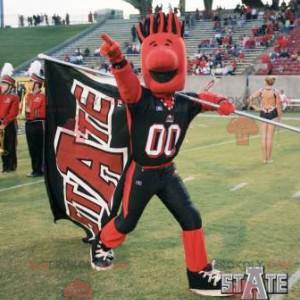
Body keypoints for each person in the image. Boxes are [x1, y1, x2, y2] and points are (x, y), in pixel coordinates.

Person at [91, 12, 235, 297]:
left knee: (191, 217)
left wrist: (222, 102)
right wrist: (118, 59)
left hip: (167, 171)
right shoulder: (140, 98)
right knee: (126, 222)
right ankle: (102, 243)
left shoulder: (184, 102)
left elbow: (205, 101)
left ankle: (199, 274)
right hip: (142, 172)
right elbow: (127, 84)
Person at [248, 76, 282, 163]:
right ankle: (268, 159)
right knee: (269, 138)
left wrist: (254, 106)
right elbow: (278, 107)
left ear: (265, 82)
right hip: (272, 113)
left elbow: (250, 98)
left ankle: (264, 159)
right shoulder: (276, 92)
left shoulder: (261, 90)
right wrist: (280, 119)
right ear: (272, 82)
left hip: (263, 113)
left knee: (264, 138)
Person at [25, 61, 46, 177]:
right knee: (32, 148)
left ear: (37, 84)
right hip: (29, 124)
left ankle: (41, 169)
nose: (29, 83)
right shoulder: (28, 96)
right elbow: (27, 112)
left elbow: (41, 112)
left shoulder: (43, 96)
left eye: (31, 81)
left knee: (40, 147)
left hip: (39, 124)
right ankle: (35, 169)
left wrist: (33, 112)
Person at [0, 63, 19, 173]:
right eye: (2, 83)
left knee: (10, 145)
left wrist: (5, 123)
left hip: (9, 124)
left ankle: (11, 165)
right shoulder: (0, 95)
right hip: (0, 123)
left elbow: (13, 113)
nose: (2, 85)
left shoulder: (14, 97)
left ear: (10, 86)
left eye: (5, 84)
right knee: (1, 146)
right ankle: (5, 165)